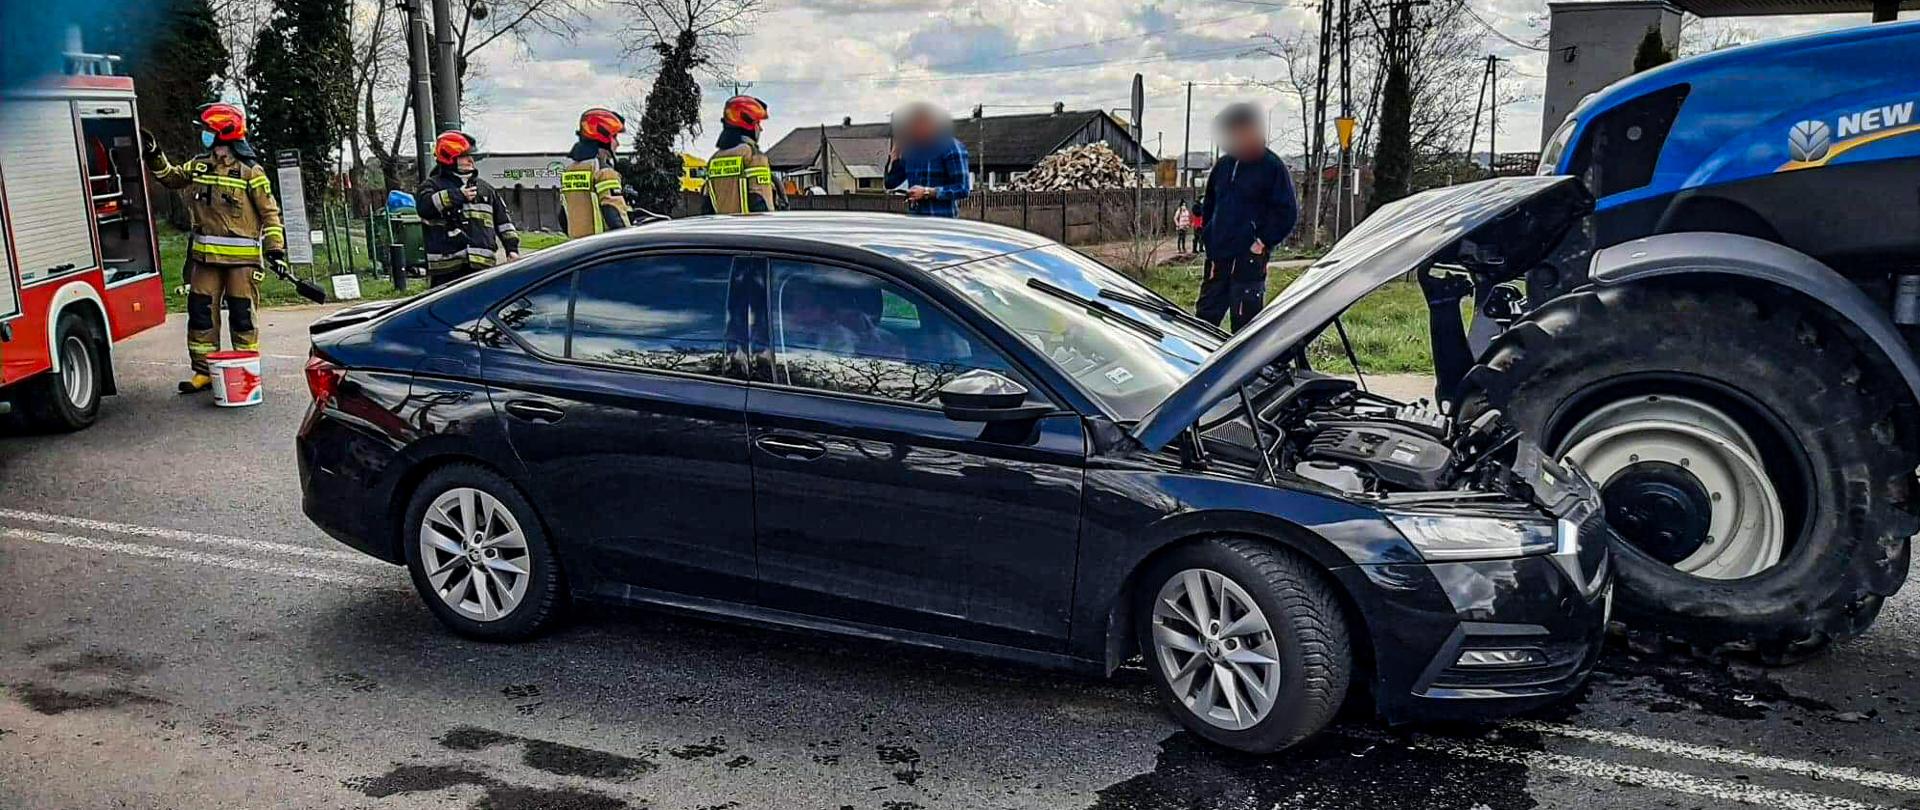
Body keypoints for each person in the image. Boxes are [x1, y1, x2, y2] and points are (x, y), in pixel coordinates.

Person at [143, 102, 285, 394]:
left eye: (209, 130)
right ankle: (204, 372)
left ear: (224, 134)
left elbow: (270, 213)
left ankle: (245, 372)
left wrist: (275, 250)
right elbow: (170, 177)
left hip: (242, 263)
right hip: (205, 259)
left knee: (242, 315)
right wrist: (154, 154)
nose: (205, 135)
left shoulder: (250, 172)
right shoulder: (200, 165)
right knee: (200, 313)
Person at [1195, 103, 1297, 332]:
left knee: (1244, 327)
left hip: (1248, 260)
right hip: (1217, 258)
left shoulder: (1272, 167)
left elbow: (1287, 211)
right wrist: (1208, 235)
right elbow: (1210, 202)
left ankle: (1245, 368)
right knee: (1203, 321)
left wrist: (1261, 242)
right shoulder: (1223, 166)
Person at [416, 130, 521, 288]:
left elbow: (504, 223)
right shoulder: (431, 186)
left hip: (482, 270)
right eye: (465, 156)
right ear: (449, 158)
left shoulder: (486, 189)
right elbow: (424, 208)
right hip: (446, 272)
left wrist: (511, 249)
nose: (471, 160)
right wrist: (456, 196)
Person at [883, 102, 970, 217]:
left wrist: (927, 193)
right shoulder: (911, 150)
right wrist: (894, 157)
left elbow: (962, 189)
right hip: (915, 221)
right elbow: (890, 183)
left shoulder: (951, 148)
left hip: (942, 221)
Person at [560, 107, 630, 238]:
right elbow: (614, 213)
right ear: (604, 138)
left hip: (578, 249)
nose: (618, 143)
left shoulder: (570, 171)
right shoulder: (604, 172)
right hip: (604, 248)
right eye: (615, 137)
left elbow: (563, 217)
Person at [702, 95, 777, 215]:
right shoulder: (754, 158)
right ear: (748, 125)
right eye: (758, 123)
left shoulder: (714, 160)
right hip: (749, 230)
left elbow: (707, 207)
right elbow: (761, 201)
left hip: (721, 231)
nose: (761, 129)